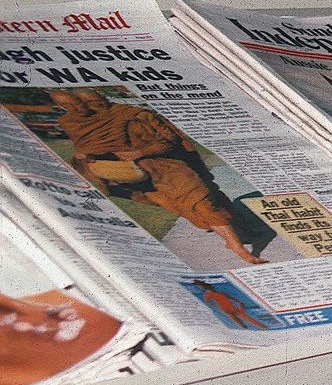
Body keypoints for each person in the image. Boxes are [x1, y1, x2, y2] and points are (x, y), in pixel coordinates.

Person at [49, 88, 266, 265]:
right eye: (79, 105)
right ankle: (237, 234)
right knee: (186, 207)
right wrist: (86, 157)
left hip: (167, 165)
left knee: (204, 201)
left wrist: (140, 152)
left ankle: (239, 248)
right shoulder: (74, 123)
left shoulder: (134, 115)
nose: (92, 108)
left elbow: (169, 141)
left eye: (96, 101)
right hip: (134, 175)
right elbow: (90, 147)